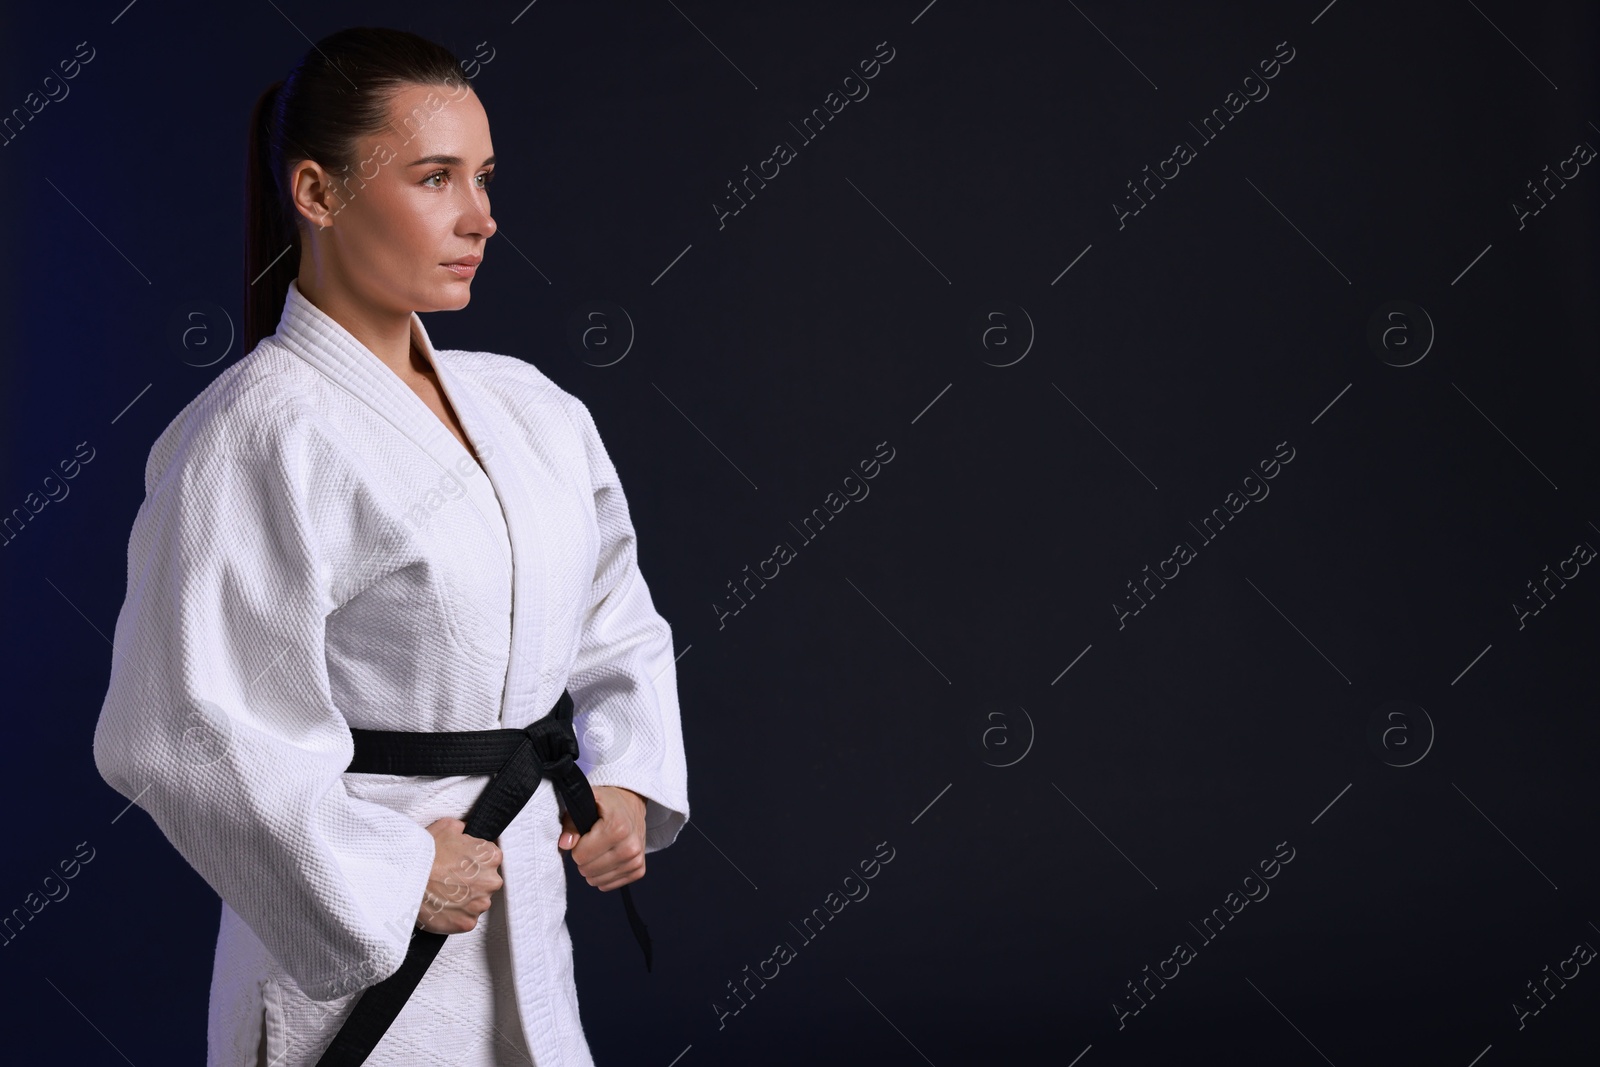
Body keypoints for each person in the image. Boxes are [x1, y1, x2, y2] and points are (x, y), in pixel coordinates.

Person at [91, 26, 689, 1067]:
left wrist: (625, 775)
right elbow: (178, 727)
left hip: (524, 919)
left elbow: (612, 610)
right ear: (316, 193)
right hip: (361, 949)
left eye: (484, 177)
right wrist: (389, 874)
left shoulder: (529, 406)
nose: (481, 217)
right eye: (434, 177)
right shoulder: (256, 432)